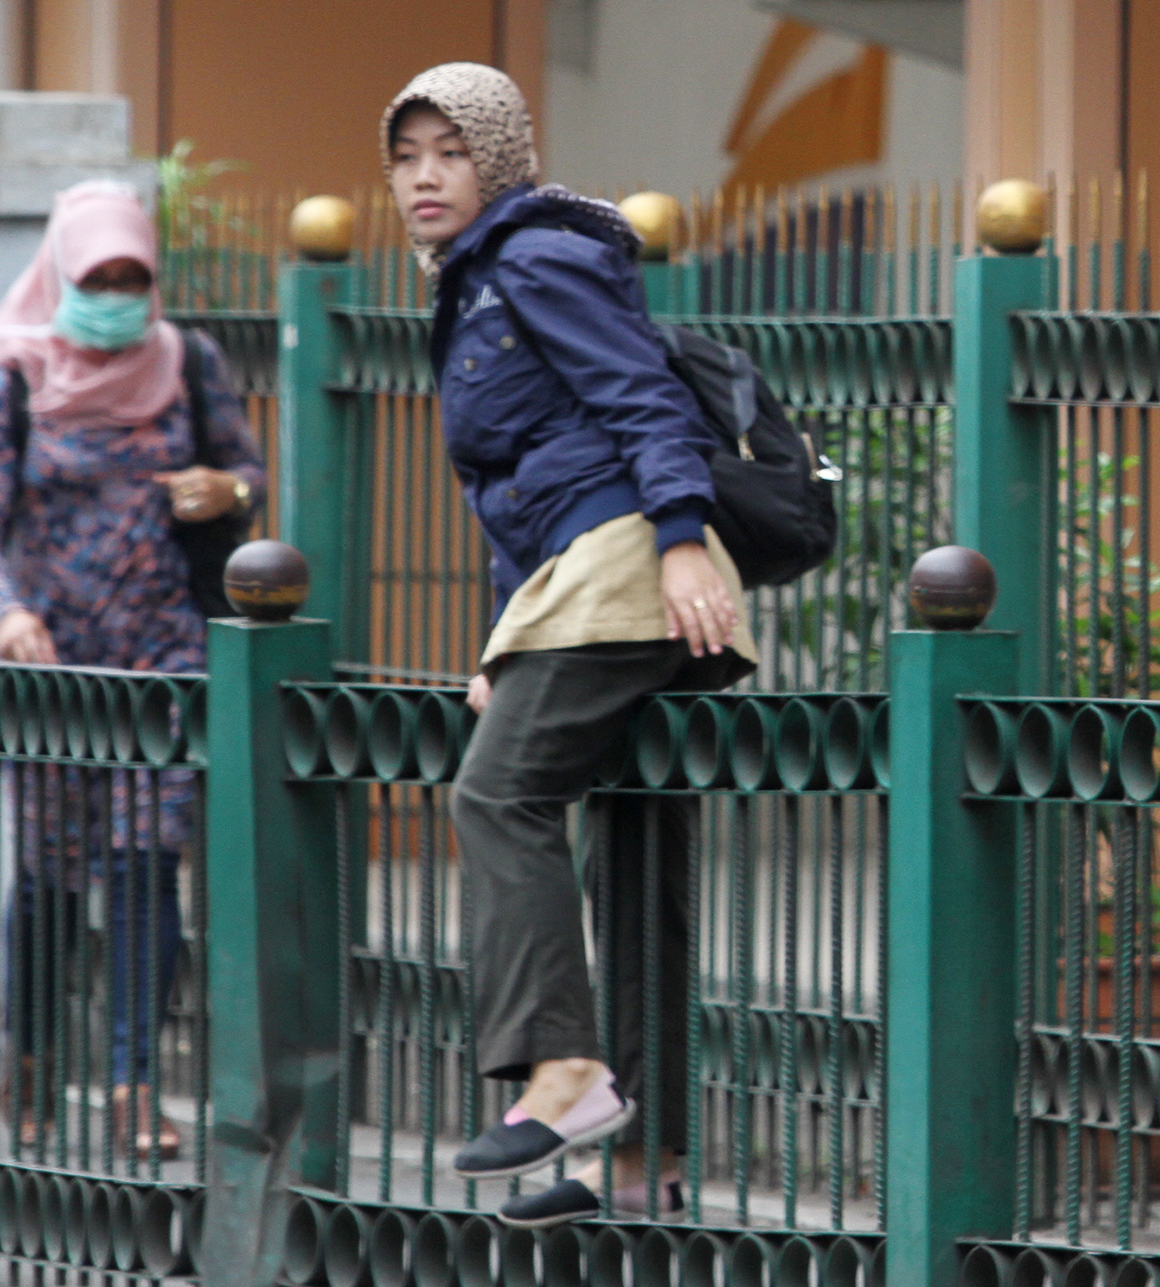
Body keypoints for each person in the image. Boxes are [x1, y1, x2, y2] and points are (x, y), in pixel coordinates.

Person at [379, 63, 756, 1227]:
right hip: (574, 573)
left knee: (497, 796)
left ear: (495, 156)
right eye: (404, 156)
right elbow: (509, 483)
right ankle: (641, 1166)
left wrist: (683, 539)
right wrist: (504, 643)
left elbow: (640, 394)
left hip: (627, 561)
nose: (423, 177)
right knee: (635, 843)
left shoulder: (532, 255)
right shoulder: (474, 276)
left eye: (449, 150)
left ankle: (565, 1073)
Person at [0, 180, 266, 1159]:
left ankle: (133, 1087)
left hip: (161, 656)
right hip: (51, 665)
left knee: (142, 868)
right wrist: (4, 614)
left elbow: (247, 476)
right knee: (48, 877)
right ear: (63, 275)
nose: (119, 294)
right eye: (99, 277)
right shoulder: (13, 377)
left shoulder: (188, 362)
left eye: (135, 276)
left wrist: (227, 489)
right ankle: (30, 1062)